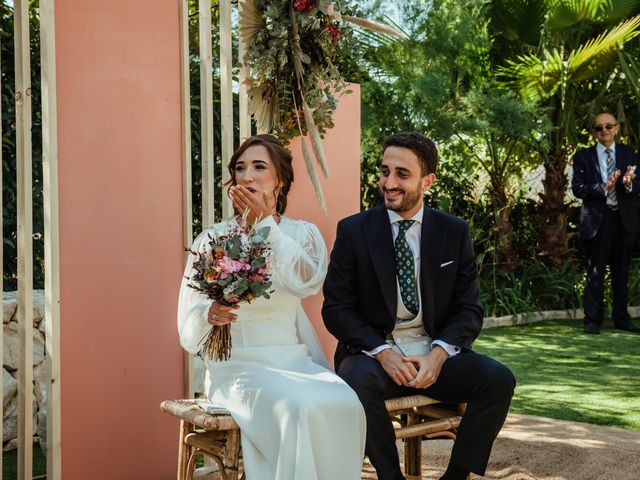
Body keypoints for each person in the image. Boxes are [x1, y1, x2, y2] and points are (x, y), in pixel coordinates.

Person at [322, 132, 515, 480]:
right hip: (375, 358)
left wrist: (438, 356)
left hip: (432, 357)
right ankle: (390, 476)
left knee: (498, 380)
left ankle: (455, 477)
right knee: (354, 382)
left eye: (402, 174)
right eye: (384, 172)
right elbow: (336, 308)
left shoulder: (454, 231)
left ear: (428, 181)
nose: (389, 183)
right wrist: (382, 352)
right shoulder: (354, 231)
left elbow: (469, 308)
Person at [178, 134, 366, 480]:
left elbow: (306, 282)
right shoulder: (212, 240)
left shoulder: (302, 235)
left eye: (259, 167)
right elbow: (188, 325)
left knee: (345, 403)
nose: (247, 176)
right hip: (237, 366)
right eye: (240, 168)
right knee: (297, 408)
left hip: (291, 360)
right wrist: (210, 314)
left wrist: (265, 223)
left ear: (279, 179)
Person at [571, 112, 640, 334]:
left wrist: (628, 184)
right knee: (595, 273)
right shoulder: (583, 156)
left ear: (617, 128)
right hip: (597, 221)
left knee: (622, 272)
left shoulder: (629, 153)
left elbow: (637, 186)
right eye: (599, 128)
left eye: (608, 126)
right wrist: (604, 187)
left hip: (624, 220)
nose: (604, 131)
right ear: (594, 132)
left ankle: (621, 319)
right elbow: (578, 189)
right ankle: (592, 320)